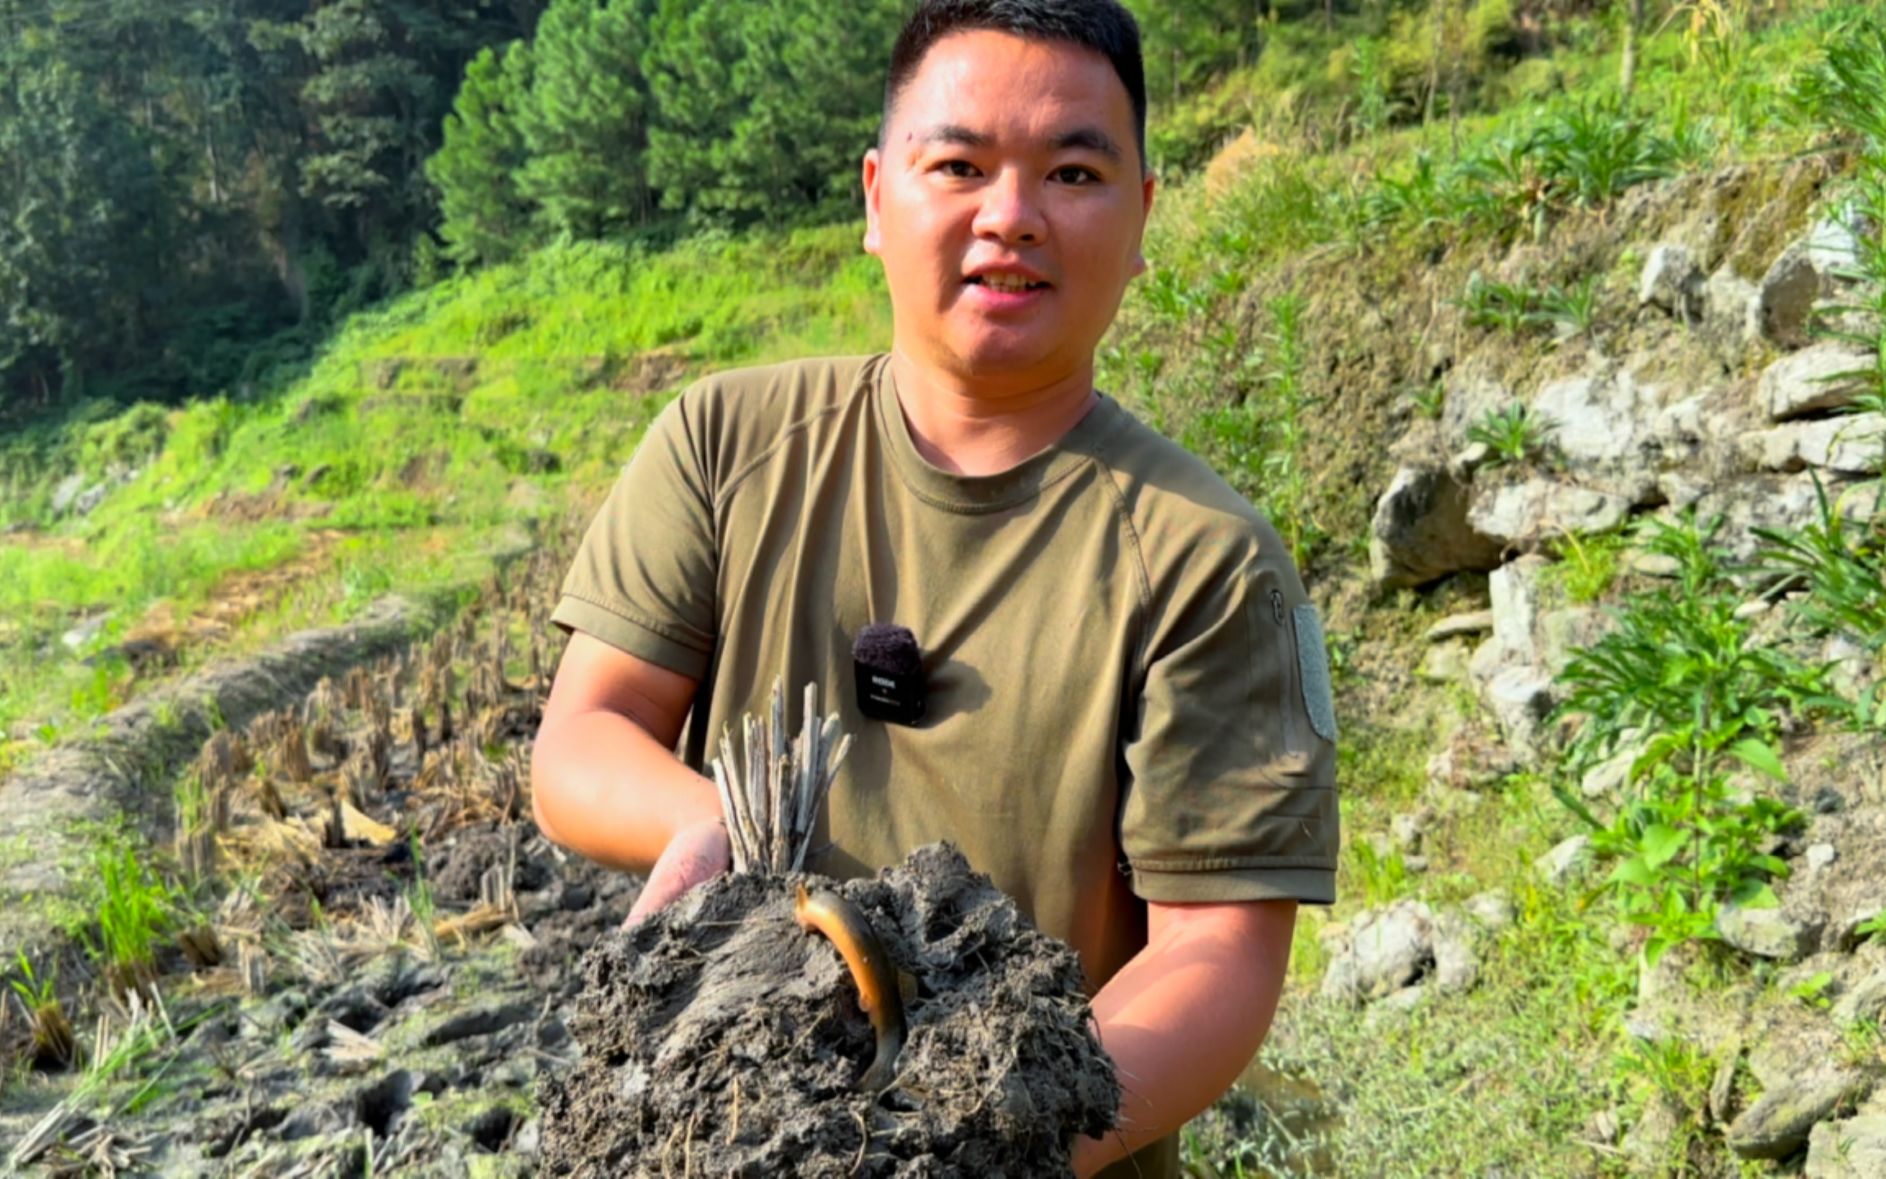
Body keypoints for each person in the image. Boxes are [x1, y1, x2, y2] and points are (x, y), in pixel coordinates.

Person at [529, 1, 1339, 1175]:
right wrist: (723, 832)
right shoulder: (724, 443)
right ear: (874, 197)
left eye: (1071, 170)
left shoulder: (1205, 558)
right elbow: (583, 739)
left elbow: (1213, 953)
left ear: (1142, 214)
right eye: (957, 164)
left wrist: (986, 1144)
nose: (1010, 217)